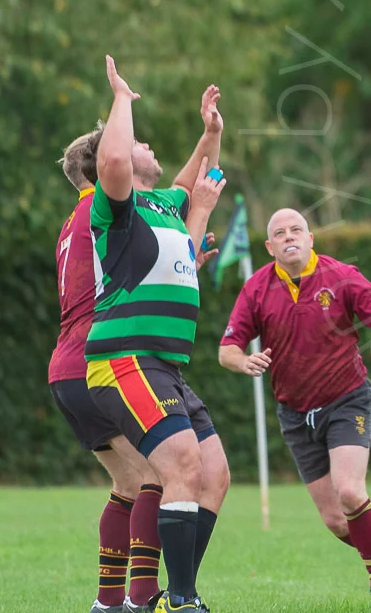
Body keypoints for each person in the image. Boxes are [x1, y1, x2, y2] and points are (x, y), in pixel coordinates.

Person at [84, 57, 230, 613]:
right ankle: (182, 601)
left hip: (164, 365)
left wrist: (210, 133)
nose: (146, 146)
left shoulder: (164, 204)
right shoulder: (116, 206)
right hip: (126, 359)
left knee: (213, 475)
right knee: (182, 464)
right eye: (138, 142)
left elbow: (197, 179)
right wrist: (121, 97)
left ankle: (175, 593)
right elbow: (113, 158)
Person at [218, 208, 371, 599]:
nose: (289, 237)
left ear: (310, 238)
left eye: (297, 230)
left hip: (346, 400)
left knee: (351, 492)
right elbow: (227, 350)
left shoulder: (342, 277)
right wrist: (243, 362)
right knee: (336, 521)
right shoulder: (257, 288)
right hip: (294, 413)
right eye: (280, 233)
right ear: (269, 246)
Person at [54, 126, 164, 613]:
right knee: (157, 474)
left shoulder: (71, 220)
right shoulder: (104, 210)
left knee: (129, 484)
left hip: (65, 369)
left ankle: (108, 602)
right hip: (93, 363)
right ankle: (143, 599)